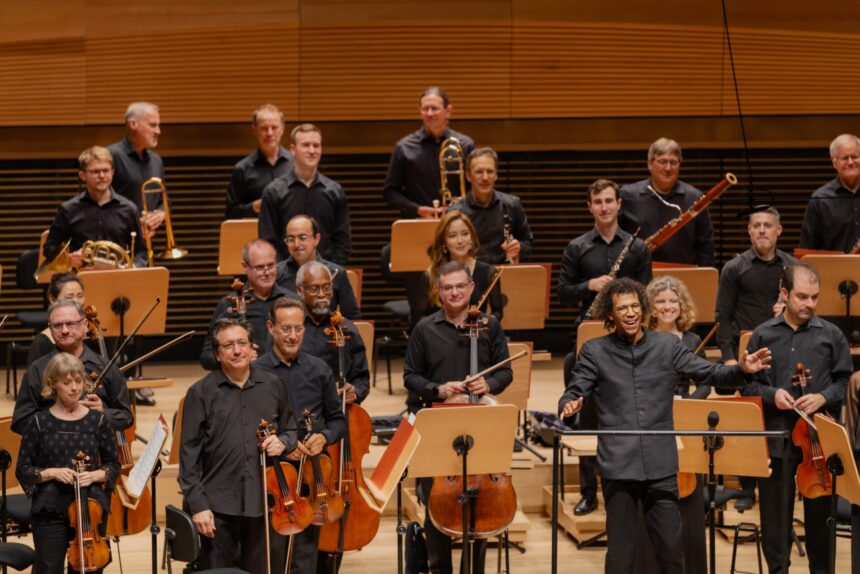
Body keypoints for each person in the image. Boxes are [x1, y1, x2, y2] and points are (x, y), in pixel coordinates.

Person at [558, 277, 771, 574]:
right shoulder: (595, 351)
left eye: (635, 306)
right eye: (623, 309)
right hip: (619, 466)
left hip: (661, 465)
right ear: (610, 314)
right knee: (621, 556)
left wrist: (742, 370)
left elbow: (709, 373)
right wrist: (569, 406)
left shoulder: (667, 345)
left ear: (644, 309)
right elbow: (574, 390)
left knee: (672, 552)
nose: (631, 313)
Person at [403, 261, 513, 574]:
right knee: (436, 508)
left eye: (460, 286)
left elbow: (506, 372)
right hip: (438, 427)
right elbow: (410, 377)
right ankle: (440, 569)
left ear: (471, 288)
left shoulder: (489, 326)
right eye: (448, 287)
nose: (454, 292)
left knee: (480, 509)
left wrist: (488, 384)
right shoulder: (425, 329)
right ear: (439, 291)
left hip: (479, 427)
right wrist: (438, 389)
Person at [742, 263, 852, 573]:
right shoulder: (762, 335)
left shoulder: (831, 336)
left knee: (821, 522)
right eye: (802, 297)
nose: (809, 304)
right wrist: (772, 395)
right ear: (784, 294)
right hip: (777, 438)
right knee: (775, 522)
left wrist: (822, 397)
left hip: (818, 444)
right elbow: (748, 384)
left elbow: (843, 381)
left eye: (814, 298)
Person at [557, 178, 651, 517]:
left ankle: (630, 487)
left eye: (609, 201)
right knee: (588, 418)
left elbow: (647, 295)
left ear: (618, 204)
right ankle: (587, 492)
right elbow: (563, 291)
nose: (604, 207)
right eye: (597, 202)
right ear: (590, 207)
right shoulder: (578, 248)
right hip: (591, 338)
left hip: (628, 339)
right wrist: (590, 285)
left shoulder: (637, 248)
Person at [180, 317, 299, 574]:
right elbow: (188, 458)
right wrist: (199, 506)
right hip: (218, 507)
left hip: (264, 504)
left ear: (252, 347)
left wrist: (284, 442)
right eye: (228, 345)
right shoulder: (199, 393)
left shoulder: (273, 385)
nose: (237, 350)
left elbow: (291, 428)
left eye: (242, 343)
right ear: (217, 354)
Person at [255, 297, 347, 574]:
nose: (293, 335)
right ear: (271, 327)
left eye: (298, 328)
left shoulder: (319, 369)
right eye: (285, 329)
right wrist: (284, 444)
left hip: (312, 475)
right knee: (272, 552)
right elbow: (250, 425)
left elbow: (338, 419)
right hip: (275, 472)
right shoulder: (257, 371)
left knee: (305, 555)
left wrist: (325, 436)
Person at [16, 352, 120, 574]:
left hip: (89, 509)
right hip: (50, 507)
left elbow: (113, 465)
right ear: (52, 384)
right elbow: (23, 470)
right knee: (49, 568)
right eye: (67, 382)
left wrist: (94, 475)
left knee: (88, 568)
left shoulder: (97, 420)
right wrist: (51, 472)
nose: (74, 388)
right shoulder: (38, 422)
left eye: (78, 381)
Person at [643, 275, 709, 574]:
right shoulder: (641, 338)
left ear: (681, 305)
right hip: (652, 421)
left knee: (687, 495)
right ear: (651, 307)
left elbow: (707, 382)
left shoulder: (693, 341)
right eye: (660, 301)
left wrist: (690, 401)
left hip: (684, 420)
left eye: (673, 301)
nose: (668, 306)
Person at [12, 300, 132, 436]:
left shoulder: (106, 367)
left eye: (70, 324)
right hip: (52, 451)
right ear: (50, 330)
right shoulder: (37, 370)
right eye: (58, 325)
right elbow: (20, 421)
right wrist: (57, 420)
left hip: (97, 450)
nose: (64, 330)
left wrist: (103, 412)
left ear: (85, 325)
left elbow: (126, 417)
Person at [258, 123, 352, 265]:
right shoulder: (274, 192)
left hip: (325, 278)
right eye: (306, 145)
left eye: (316, 145)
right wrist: (284, 275)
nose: (312, 150)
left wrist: (329, 272)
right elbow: (268, 242)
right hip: (285, 279)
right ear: (293, 150)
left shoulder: (335, 192)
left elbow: (342, 242)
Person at [42, 146, 147, 270]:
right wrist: (69, 258)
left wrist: (133, 266)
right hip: (81, 281)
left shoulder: (128, 209)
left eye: (106, 170)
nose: (102, 176)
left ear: (112, 172)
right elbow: (49, 248)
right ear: (82, 175)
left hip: (117, 280)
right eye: (95, 172)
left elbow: (141, 252)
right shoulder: (68, 209)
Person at [716, 206, 797, 364]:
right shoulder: (733, 268)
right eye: (756, 226)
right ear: (749, 230)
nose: (761, 230)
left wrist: (789, 310)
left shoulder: (793, 267)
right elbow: (723, 315)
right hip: (744, 351)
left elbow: (806, 310)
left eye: (767, 226)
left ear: (778, 230)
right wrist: (728, 358)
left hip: (784, 347)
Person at [199, 239, 295, 370]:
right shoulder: (229, 304)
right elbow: (207, 357)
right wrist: (235, 356)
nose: (267, 273)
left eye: (271, 266)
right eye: (260, 267)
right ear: (245, 266)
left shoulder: (292, 302)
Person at [619, 137, 715, 266]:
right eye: (662, 162)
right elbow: (616, 240)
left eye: (673, 162)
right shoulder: (628, 196)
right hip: (639, 276)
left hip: (683, 278)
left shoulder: (694, 198)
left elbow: (705, 246)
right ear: (650, 164)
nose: (668, 168)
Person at [383, 86, 475, 219]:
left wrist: (456, 208)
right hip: (417, 223)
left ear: (448, 111)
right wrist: (417, 209)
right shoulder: (403, 147)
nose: (430, 113)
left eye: (435, 108)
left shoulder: (465, 145)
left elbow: (475, 188)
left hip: (457, 223)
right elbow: (389, 192)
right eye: (425, 109)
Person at [408, 211, 503, 327]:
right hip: (439, 341)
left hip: (474, 340)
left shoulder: (489, 272)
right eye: (452, 235)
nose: (460, 241)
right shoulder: (431, 274)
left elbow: (498, 311)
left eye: (465, 234)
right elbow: (418, 317)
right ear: (444, 242)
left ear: (472, 237)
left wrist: (485, 324)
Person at [295, 261, 370, 406]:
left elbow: (362, 379)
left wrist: (354, 391)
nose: (322, 294)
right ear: (300, 291)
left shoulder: (347, 329)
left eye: (327, 288)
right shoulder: (289, 330)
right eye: (314, 289)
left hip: (337, 411)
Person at [448, 147, 533, 264]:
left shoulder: (512, 205)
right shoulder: (455, 212)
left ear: (496, 175)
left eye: (490, 171)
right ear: (468, 176)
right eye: (479, 172)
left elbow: (528, 242)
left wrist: (519, 248)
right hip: (470, 277)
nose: (485, 178)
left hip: (506, 274)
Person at [275, 215, 360, 319]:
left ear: (316, 239)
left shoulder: (337, 273)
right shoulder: (276, 274)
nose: (296, 244)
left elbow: (353, 318)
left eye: (302, 238)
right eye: (291, 239)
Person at [226, 104, 295, 219]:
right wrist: (254, 207)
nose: (269, 133)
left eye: (274, 127)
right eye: (264, 128)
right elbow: (231, 214)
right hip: (256, 234)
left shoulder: (296, 164)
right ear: (255, 130)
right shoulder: (242, 169)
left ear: (282, 129)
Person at [108, 102, 165, 238]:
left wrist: (161, 214)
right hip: (117, 239)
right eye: (152, 125)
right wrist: (132, 222)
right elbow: (99, 202)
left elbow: (163, 198)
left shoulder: (156, 160)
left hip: (147, 240)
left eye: (158, 125)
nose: (158, 131)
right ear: (133, 124)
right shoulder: (111, 156)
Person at [800, 133, 860, 252]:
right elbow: (808, 247)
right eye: (844, 158)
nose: (850, 162)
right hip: (836, 270)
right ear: (834, 163)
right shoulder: (820, 199)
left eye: (855, 156)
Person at [27, 273, 86, 366]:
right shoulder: (41, 343)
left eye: (80, 295)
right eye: (69, 297)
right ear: (52, 299)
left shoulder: (92, 338)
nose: (77, 301)